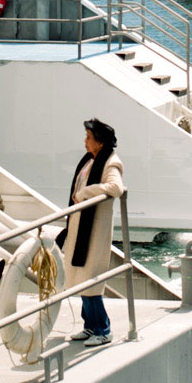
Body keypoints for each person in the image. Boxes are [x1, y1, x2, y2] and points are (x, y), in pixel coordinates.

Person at [62, 117, 124, 348]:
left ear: (100, 142)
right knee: (81, 279)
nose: (85, 142)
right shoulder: (91, 160)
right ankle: (90, 326)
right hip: (80, 229)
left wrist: (88, 192)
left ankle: (103, 329)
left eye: (89, 138)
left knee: (90, 280)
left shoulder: (111, 163)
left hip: (94, 231)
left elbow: (115, 187)